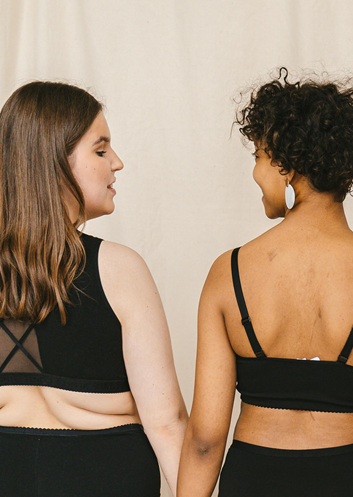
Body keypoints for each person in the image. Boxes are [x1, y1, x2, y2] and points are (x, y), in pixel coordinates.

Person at [177, 69, 353, 497]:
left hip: (252, 482)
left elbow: (204, 441)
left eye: (259, 156)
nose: (255, 173)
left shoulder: (228, 273)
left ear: (287, 165)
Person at [0, 81, 188, 496]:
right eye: (100, 151)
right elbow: (167, 422)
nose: (117, 162)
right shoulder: (119, 268)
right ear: (52, 163)